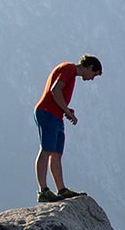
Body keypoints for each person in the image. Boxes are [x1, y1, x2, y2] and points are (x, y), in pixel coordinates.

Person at [33, 54, 103, 202]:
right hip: (47, 113)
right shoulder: (69, 68)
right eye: (94, 75)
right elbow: (55, 90)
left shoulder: (71, 73)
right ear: (89, 67)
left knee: (56, 153)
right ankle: (43, 190)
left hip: (56, 115)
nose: (91, 79)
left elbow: (58, 94)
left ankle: (61, 189)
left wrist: (66, 110)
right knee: (46, 150)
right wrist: (66, 111)